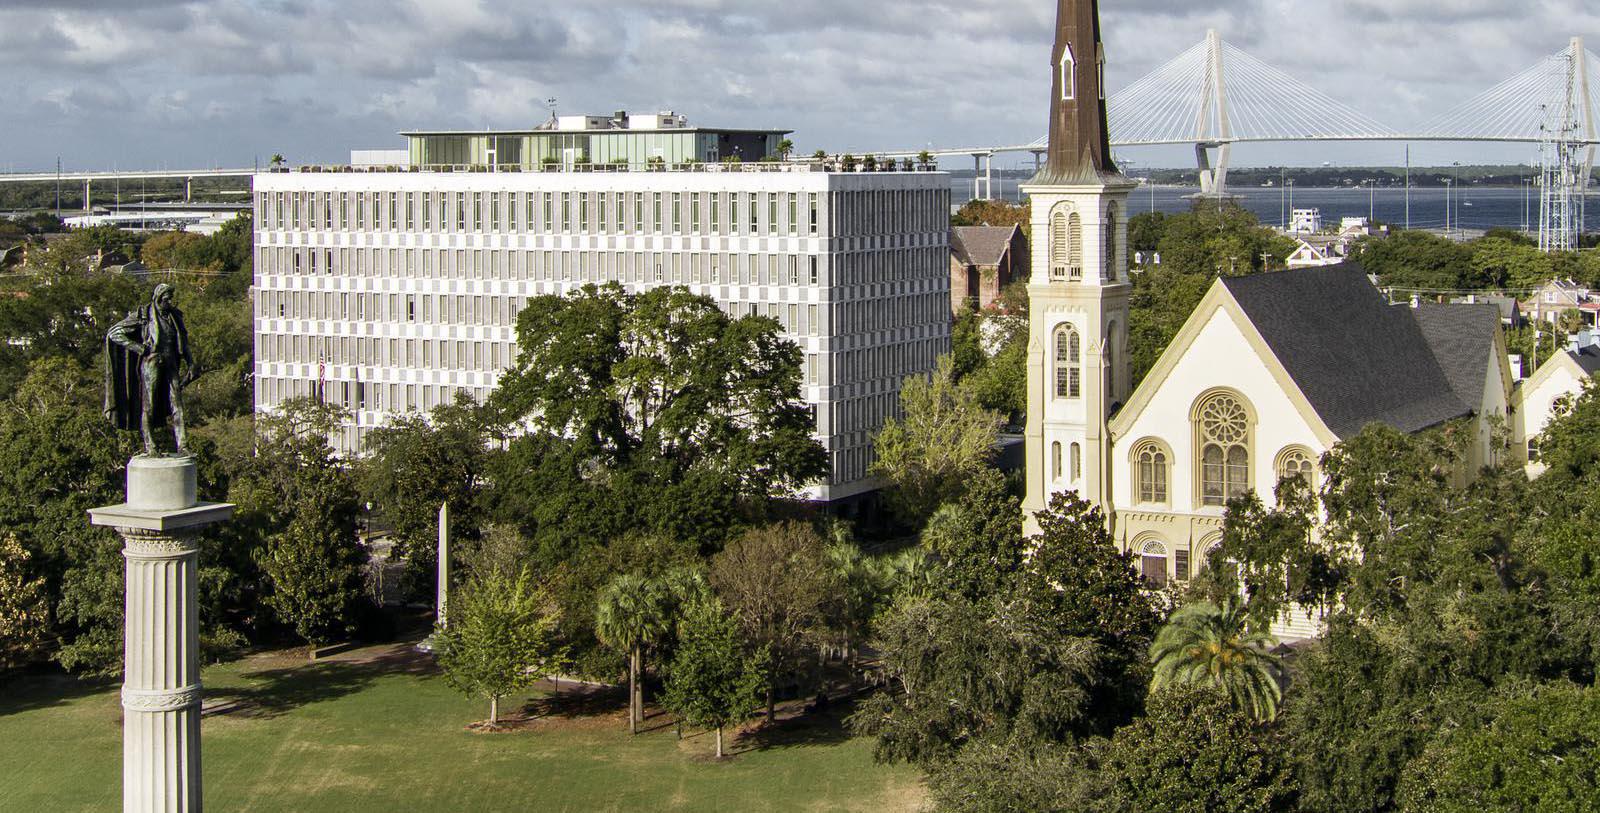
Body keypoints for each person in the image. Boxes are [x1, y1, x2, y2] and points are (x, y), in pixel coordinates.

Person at [105, 284, 194, 456]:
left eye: (171, 297)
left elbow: (183, 341)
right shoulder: (144, 315)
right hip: (152, 362)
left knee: (178, 405)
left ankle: (183, 445)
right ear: (158, 298)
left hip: (171, 362)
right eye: (166, 298)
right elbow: (114, 333)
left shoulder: (175, 316)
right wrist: (138, 348)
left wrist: (191, 363)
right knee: (149, 406)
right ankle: (150, 446)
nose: (169, 301)